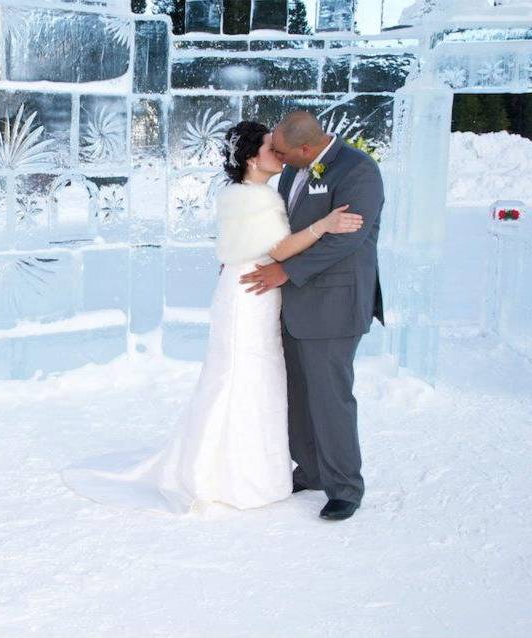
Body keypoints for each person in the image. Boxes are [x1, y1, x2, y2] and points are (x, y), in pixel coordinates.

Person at [62, 121, 364, 512]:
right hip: (251, 294)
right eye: (275, 148)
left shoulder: (252, 192)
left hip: (255, 290)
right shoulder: (253, 197)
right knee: (240, 379)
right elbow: (281, 249)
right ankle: (222, 473)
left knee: (258, 380)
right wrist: (324, 225)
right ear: (254, 158)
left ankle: (253, 468)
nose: (284, 155)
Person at [240, 111, 385, 521]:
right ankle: (311, 469)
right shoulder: (292, 172)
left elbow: (348, 239)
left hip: (335, 306)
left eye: (284, 153)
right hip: (293, 303)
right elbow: (282, 231)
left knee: (330, 398)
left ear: (307, 148)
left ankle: (345, 487)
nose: (278, 160)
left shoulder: (359, 170)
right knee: (298, 394)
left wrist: (286, 270)